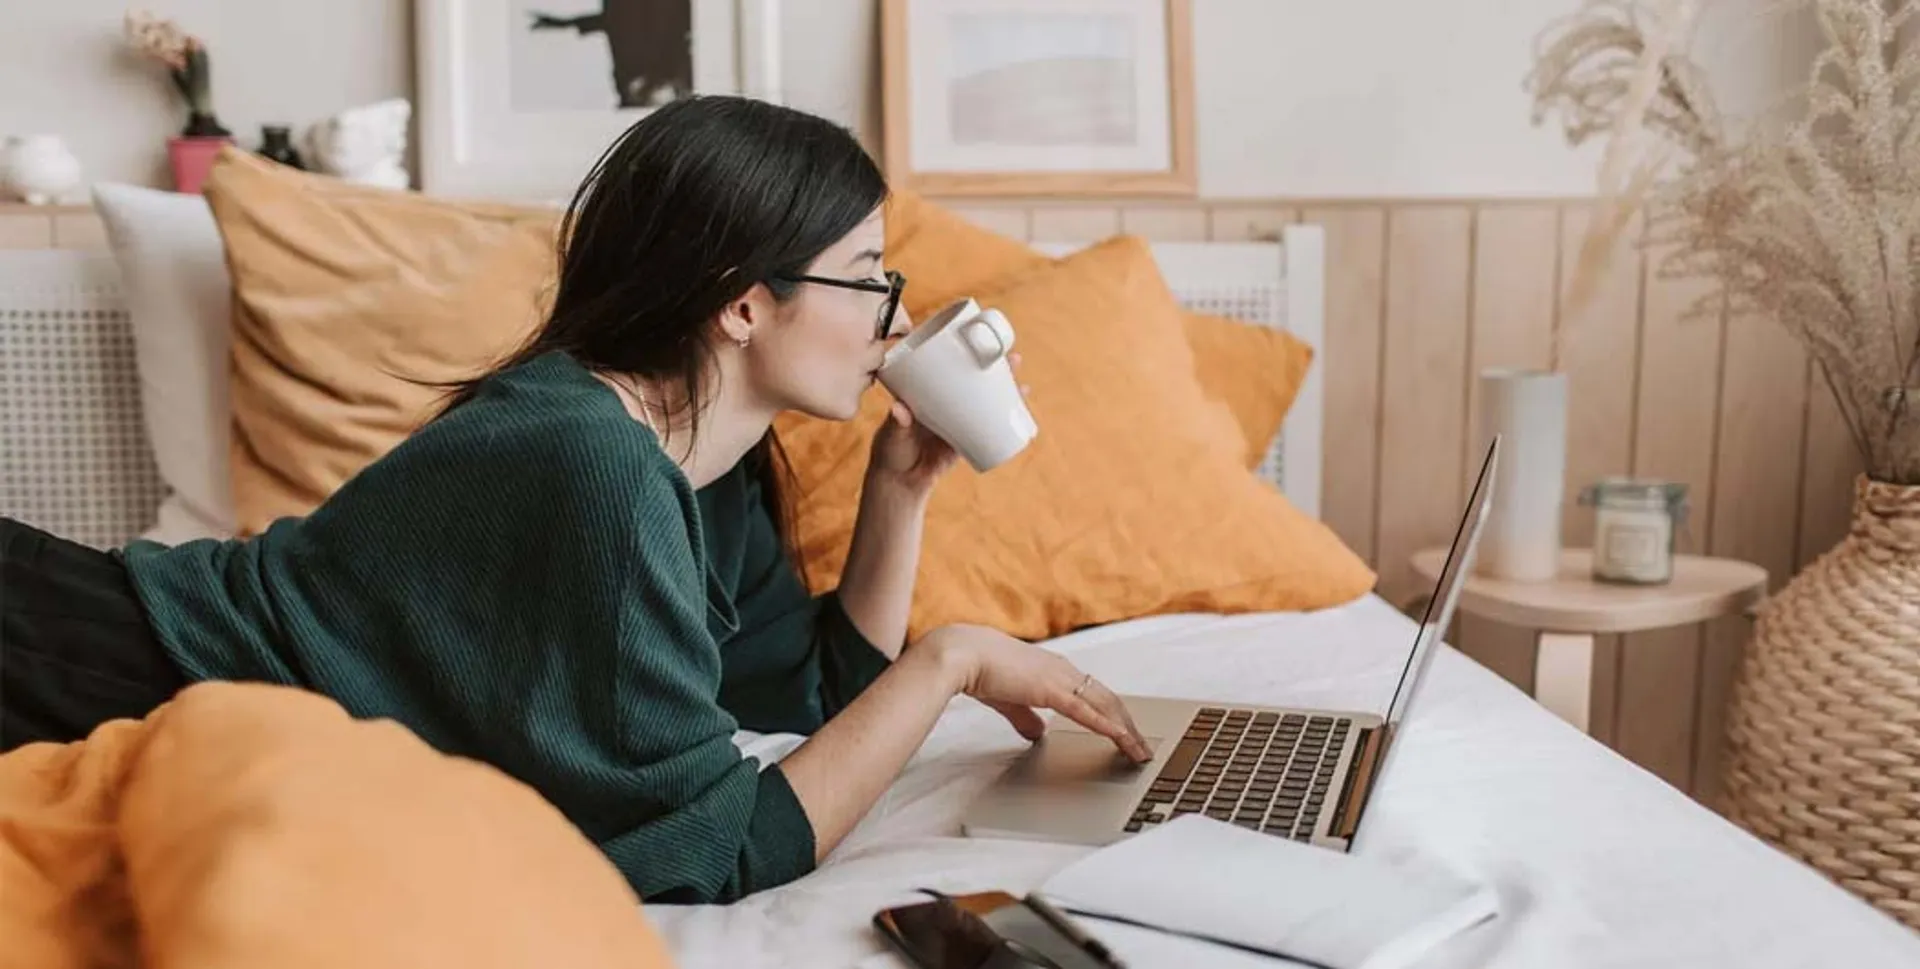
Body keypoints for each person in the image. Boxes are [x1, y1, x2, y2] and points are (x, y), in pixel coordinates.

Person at [0, 95, 1151, 904]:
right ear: (742, 306)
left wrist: (900, 495)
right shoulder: (592, 466)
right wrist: (948, 660)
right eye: (867, 276)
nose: (894, 316)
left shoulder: (707, 459)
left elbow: (807, 704)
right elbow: (726, 850)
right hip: (96, 668)